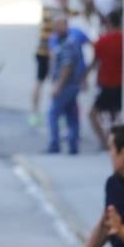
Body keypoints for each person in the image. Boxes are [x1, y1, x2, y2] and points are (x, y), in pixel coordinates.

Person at [32, 0, 73, 127]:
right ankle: (38, 113)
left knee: (48, 82)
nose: (67, 1)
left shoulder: (55, 10)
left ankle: (52, 112)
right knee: (44, 82)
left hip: (49, 53)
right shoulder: (54, 11)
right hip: (46, 53)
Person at [47, 14, 86, 155]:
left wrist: (58, 86)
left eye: (59, 25)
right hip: (69, 85)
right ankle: (73, 146)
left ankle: (54, 144)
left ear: (65, 26)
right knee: (71, 115)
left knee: (53, 113)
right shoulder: (58, 41)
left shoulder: (68, 42)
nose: (56, 28)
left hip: (66, 85)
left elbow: (67, 67)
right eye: (55, 25)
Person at [87, 11, 123, 149]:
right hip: (122, 85)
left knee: (93, 114)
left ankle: (104, 142)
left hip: (107, 84)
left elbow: (95, 62)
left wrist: (84, 78)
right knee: (117, 115)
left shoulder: (102, 42)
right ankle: (115, 141)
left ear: (108, 23)